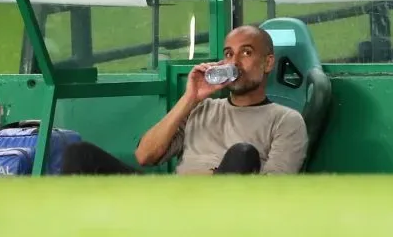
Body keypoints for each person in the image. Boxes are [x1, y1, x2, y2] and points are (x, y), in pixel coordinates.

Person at [60, 25, 309, 175]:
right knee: (80, 154)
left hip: (217, 211)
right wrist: (190, 98)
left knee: (242, 154)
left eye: (246, 52)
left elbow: (274, 190)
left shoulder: (286, 120)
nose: (234, 63)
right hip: (169, 201)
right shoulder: (201, 108)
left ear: (268, 62)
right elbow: (145, 156)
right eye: (228, 54)